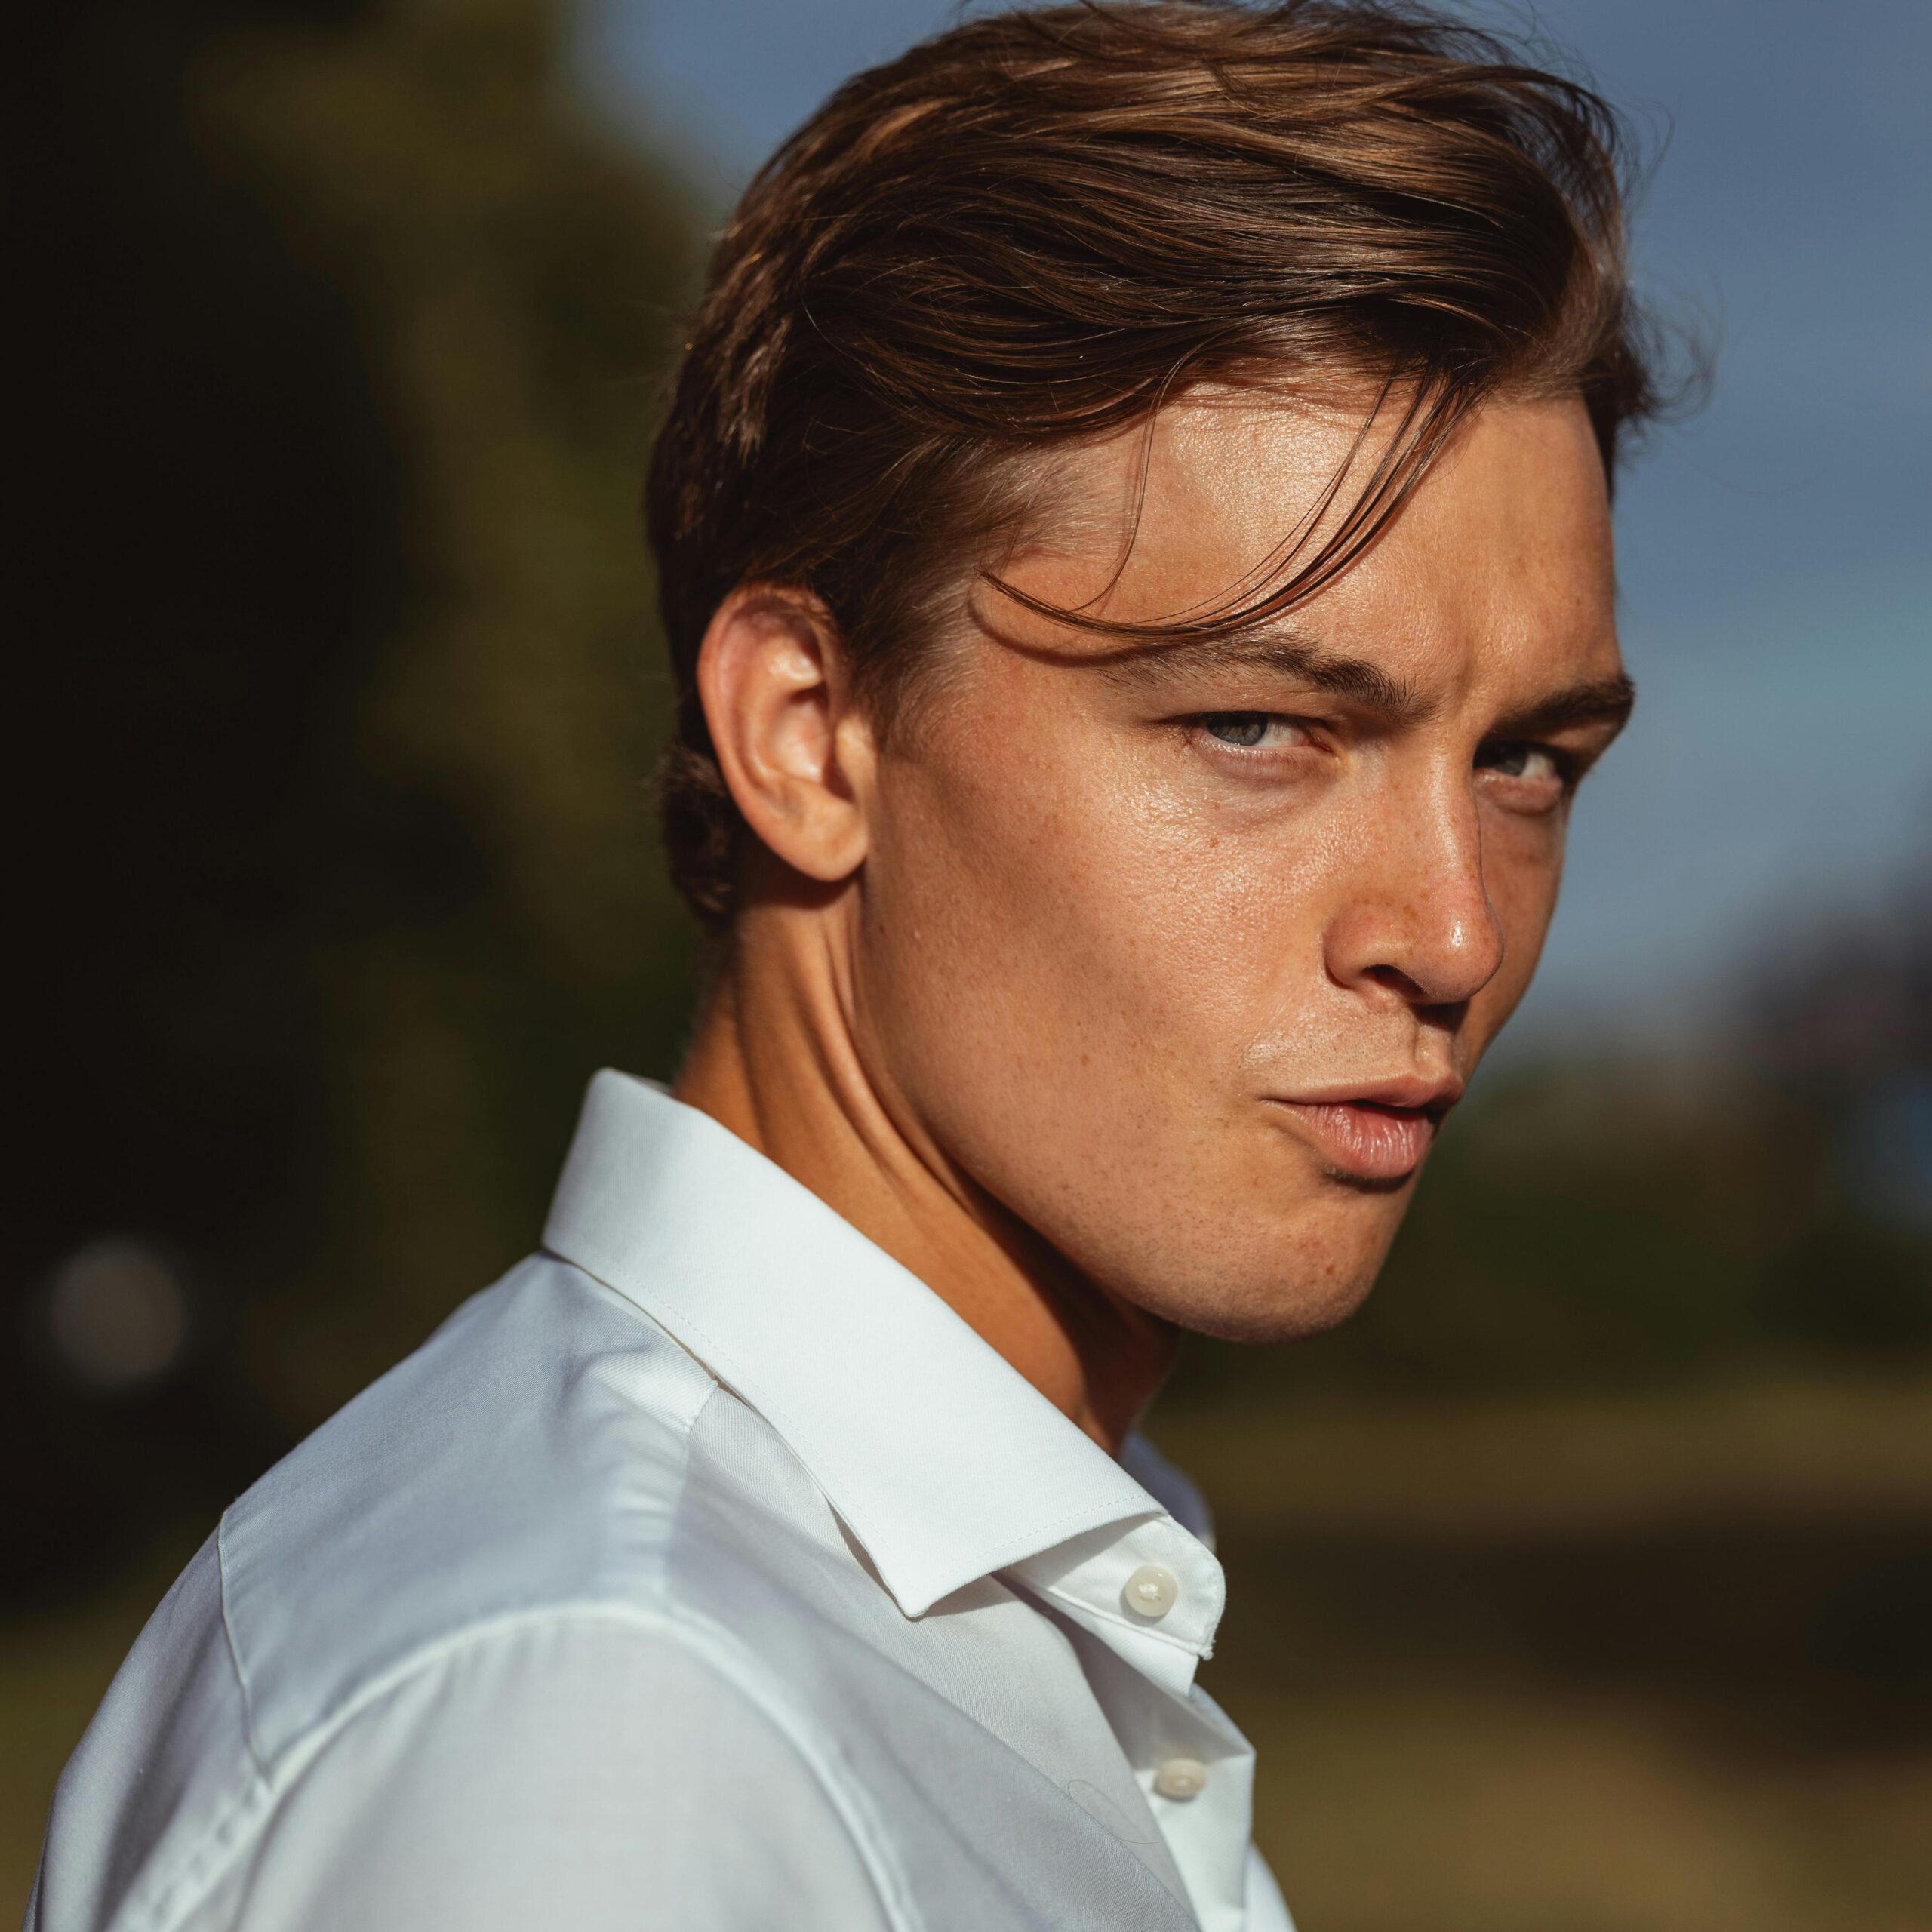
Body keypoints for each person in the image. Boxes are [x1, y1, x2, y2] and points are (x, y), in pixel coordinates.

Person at [30, 3, 1667, 1927]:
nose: (1451, 928)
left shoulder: (852, 1617)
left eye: (1524, 760)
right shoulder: (604, 1728)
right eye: (1257, 728)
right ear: (810, 733)